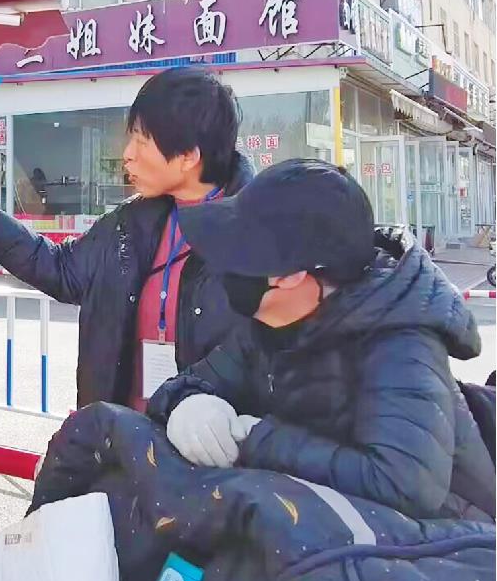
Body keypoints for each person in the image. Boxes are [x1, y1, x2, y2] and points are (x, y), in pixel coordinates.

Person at [149, 159, 495, 522]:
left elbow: (404, 485)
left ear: (291, 277)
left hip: (442, 541)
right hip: (330, 530)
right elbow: (192, 382)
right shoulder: (267, 327)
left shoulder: (402, 345)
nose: (225, 271)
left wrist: (256, 438)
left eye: (242, 258)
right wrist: (187, 404)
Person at [0, 67, 253, 410]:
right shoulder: (130, 221)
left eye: (142, 141)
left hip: (204, 439)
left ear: (188, 157)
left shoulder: (258, 240)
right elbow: (63, 269)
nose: (128, 153)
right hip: (121, 432)